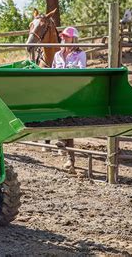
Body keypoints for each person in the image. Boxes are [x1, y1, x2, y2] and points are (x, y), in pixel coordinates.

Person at [52, 26, 87, 173]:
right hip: (59, 91)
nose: (63, 39)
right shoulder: (57, 55)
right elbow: (52, 72)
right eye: (62, 37)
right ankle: (67, 154)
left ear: (74, 39)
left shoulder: (80, 54)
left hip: (73, 91)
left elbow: (80, 72)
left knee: (68, 122)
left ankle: (69, 157)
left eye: (66, 37)